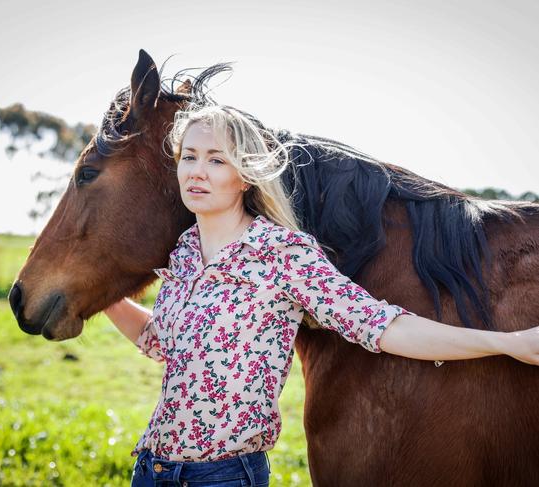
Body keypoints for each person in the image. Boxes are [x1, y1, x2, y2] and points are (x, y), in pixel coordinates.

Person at [104, 103, 539, 487]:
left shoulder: (281, 254)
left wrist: (505, 343)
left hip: (223, 476)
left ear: (245, 176)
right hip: (152, 469)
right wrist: (103, 295)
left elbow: (384, 327)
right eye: (190, 157)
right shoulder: (183, 255)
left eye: (217, 160)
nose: (197, 171)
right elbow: (165, 341)